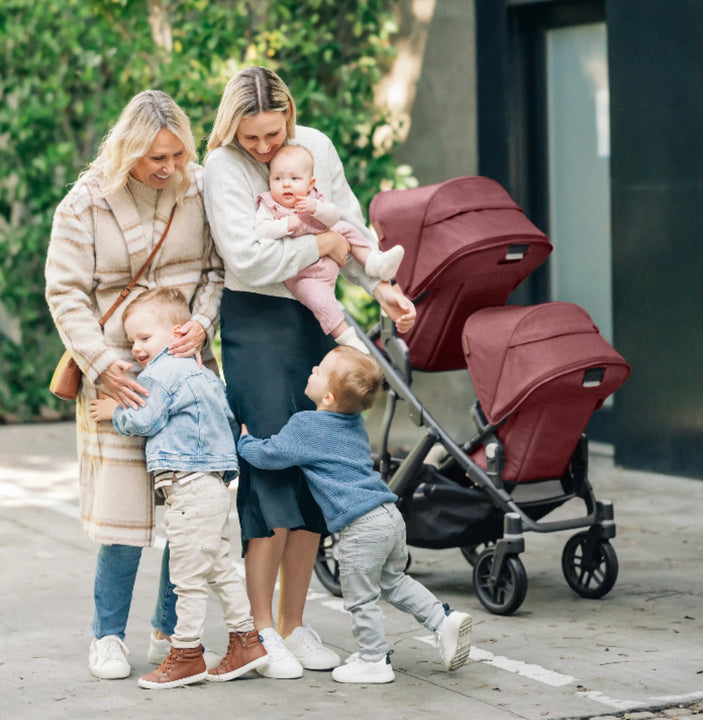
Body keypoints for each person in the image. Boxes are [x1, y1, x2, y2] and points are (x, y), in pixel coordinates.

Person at [203, 65, 417, 679]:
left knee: (316, 472)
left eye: (274, 134)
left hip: (313, 317)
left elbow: (345, 233)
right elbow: (246, 255)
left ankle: (295, 625)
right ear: (232, 129)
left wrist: (382, 290)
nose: (266, 148)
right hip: (256, 324)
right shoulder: (221, 167)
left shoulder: (315, 146)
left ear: (289, 116)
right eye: (252, 139)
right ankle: (260, 630)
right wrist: (319, 248)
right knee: (269, 476)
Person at [45, 90, 224, 680]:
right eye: (155, 157)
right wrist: (99, 360)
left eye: (176, 154)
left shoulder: (197, 187)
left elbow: (217, 269)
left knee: (192, 504)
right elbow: (65, 291)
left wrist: (201, 322)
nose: (168, 167)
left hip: (189, 363)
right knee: (121, 516)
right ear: (127, 150)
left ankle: (170, 632)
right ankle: (107, 637)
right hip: (118, 369)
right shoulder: (84, 204)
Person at [237, 346, 473, 684]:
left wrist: (244, 443)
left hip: (360, 528)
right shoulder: (354, 425)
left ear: (329, 397)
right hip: (388, 515)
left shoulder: (307, 425)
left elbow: (273, 454)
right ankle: (442, 620)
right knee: (394, 581)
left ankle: (373, 659)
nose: (313, 366)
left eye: (319, 370)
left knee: (361, 598)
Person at [88, 288, 268, 689]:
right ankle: (247, 642)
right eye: (132, 340)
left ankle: (186, 654)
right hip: (215, 488)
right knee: (219, 569)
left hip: (186, 487)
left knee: (186, 578)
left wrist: (114, 412)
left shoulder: (159, 374)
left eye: (144, 338)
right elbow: (226, 417)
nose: (136, 348)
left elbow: (146, 419)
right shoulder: (204, 374)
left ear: (177, 332)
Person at [255, 144, 405, 353]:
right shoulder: (269, 204)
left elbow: (334, 216)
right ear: (269, 181)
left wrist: (315, 208)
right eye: (278, 179)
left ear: (310, 184)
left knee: (346, 228)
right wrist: (284, 226)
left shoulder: (313, 198)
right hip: (304, 276)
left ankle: (374, 263)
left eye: (294, 179)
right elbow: (261, 230)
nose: (286, 185)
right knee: (321, 301)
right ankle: (346, 336)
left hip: (331, 258)